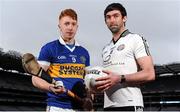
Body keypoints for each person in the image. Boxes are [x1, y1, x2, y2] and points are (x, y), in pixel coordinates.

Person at [95, 3, 155, 111]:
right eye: (108, 17)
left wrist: (120, 78)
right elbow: (108, 80)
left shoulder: (135, 39)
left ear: (124, 18)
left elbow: (149, 74)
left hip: (130, 104)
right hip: (108, 106)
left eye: (116, 16)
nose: (112, 20)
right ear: (105, 22)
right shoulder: (106, 49)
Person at [31, 9, 90, 112]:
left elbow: (87, 81)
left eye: (73, 24)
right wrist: (50, 87)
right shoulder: (49, 48)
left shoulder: (84, 52)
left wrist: (89, 98)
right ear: (59, 27)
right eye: (66, 24)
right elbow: (35, 79)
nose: (70, 27)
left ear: (77, 27)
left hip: (79, 106)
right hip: (57, 106)